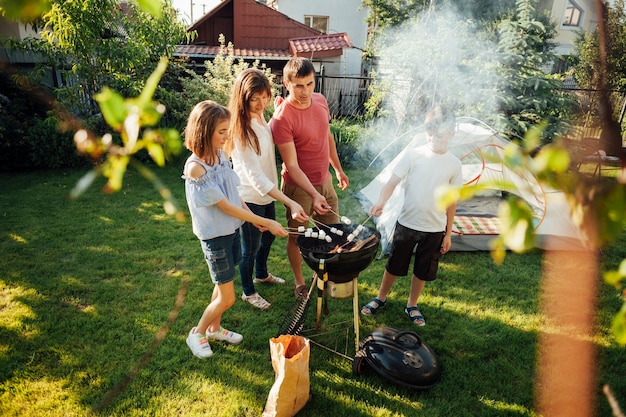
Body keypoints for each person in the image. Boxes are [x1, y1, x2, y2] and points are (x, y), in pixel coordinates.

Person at [182, 100, 288, 359]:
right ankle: (197, 333)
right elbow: (225, 205)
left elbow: (234, 193)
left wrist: (253, 218)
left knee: (221, 287)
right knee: (227, 298)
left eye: (227, 131)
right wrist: (267, 222)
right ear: (203, 131)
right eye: (221, 132)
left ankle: (215, 329)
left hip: (230, 231)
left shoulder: (220, 155)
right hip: (215, 238)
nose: (226, 137)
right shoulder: (196, 168)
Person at [360, 105, 463, 326]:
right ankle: (380, 297)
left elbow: (452, 201)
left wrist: (447, 234)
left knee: (423, 270)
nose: (435, 137)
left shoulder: (454, 164)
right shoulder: (414, 155)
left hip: (434, 229)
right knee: (394, 265)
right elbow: (392, 181)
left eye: (440, 133)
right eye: (430, 132)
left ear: (451, 134)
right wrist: (381, 201)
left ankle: (412, 304)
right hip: (407, 223)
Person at [226, 68, 309, 310]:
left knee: (269, 235)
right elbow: (255, 178)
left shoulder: (261, 118)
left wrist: (279, 108)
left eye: (265, 97)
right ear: (243, 99)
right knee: (249, 248)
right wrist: (290, 201)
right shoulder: (242, 131)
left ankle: (261, 274)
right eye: (255, 99)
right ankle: (248, 291)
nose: (261, 103)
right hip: (250, 197)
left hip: (267, 195)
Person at [270, 57, 349, 298]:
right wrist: (314, 194)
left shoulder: (321, 101)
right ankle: (299, 282)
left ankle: (322, 275)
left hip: (324, 181)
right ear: (286, 83)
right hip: (299, 189)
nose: (305, 92)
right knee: (299, 237)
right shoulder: (282, 119)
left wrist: (337, 168)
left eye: (310, 84)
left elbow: (328, 137)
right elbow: (291, 165)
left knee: (332, 232)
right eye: (298, 86)